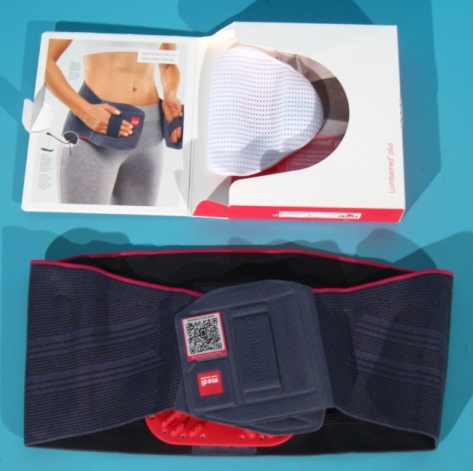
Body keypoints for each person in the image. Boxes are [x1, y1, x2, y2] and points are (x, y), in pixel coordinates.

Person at [45, 39, 182, 206]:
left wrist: (170, 94)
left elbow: (169, 64)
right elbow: (44, 59)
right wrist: (84, 110)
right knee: (82, 221)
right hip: (96, 131)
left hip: (150, 133)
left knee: (137, 222)